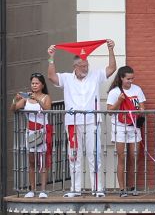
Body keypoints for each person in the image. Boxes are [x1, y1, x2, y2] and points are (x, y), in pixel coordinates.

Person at [47, 39, 117, 198]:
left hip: (93, 122)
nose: (85, 68)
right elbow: (51, 77)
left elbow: (112, 68)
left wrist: (111, 50)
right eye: (82, 66)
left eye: (87, 66)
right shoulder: (66, 78)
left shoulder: (95, 75)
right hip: (72, 123)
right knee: (74, 156)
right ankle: (75, 189)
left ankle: (97, 188)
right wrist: (51, 57)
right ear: (75, 67)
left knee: (95, 155)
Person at [107, 65, 146, 196]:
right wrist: (119, 101)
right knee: (122, 157)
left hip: (133, 126)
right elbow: (109, 111)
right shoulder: (114, 92)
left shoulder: (137, 89)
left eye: (132, 78)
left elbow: (142, 106)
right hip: (119, 126)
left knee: (134, 156)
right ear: (121, 78)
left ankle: (133, 186)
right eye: (128, 79)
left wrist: (141, 111)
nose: (131, 81)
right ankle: (122, 189)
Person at [13, 74, 52, 198]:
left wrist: (38, 99)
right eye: (32, 83)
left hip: (41, 131)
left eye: (36, 83)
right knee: (31, 161)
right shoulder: (26, 99)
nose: (34, 85)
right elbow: (13, 108)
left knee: (42, 161)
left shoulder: (46, 97)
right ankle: (32, 189)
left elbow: (47, 109)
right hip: (30, 132)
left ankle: (43, 190)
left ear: (42, 85)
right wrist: (15, 99)